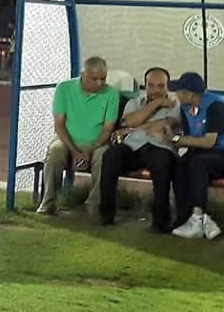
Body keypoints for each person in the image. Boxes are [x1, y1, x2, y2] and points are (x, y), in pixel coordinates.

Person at [163, 72, 224, 239]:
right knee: (179, 163)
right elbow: (189, 139)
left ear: (190, 94)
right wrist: (173, 140)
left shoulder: (217, 107)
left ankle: (198, 218)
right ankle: (184, 217)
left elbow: (209, 142)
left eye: (179, 91)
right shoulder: (186, 108)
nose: (176, 95)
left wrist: (175, 140)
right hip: (204, 153)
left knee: (198, 163)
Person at [36, 57, 120, 216]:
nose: (100, 83)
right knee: (55, 152)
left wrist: (91, 148)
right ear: (83, 74)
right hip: (67, 140)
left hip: (97, 143)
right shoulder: (64, 88)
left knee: (104, 156)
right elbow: (59, 125)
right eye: (94, 79)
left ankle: (94, 205)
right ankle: (48, 203)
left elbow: (108, 129)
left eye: (103, 78)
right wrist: (74, 150)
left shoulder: (112, 93)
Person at [97, 67, 178, 231]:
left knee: (162, 161)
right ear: (145, 86)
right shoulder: (134, 103)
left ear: (167, 87)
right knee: (111, 155)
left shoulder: (174, 103)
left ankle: (161, 221)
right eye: (151, 85)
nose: (156, 90)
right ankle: (106, 214)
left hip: (160, 147)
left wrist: (132, 129)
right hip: (133, 147)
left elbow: (165, 125)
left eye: (161, 86)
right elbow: (130, 121)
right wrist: (156, 103)